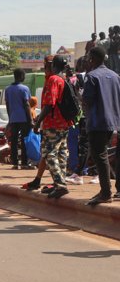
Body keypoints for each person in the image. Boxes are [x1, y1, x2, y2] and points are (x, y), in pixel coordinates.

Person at [82, 46, 120, 205]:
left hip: (97, 122)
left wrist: (81, 98)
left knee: (100, 156)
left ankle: (105, 192)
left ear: (93, 59)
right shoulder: (115, 76)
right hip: (113, 122)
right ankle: (107, 190)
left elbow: (88, 100)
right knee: (105, 155)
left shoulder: (91, 76)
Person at [33, 55, 73, 199]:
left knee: (49, 154)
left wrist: (38, 123)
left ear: (52, 65)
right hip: (64, 123)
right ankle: (59, 184)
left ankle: (60, 185)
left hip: (53, 124)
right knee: (61, 154)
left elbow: (50, 104)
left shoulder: (53, 80)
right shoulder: (63, 79)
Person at [4, 69, 33, 169]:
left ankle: (15, 163)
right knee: (24, 140)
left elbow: (7, 105)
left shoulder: (7, 89)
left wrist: (10, 118)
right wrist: (30, 119)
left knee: (14, 141)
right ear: (21, 76)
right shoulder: (24, 88)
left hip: (13, 118)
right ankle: (24, 162)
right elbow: (27, 104)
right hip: (24, 118)